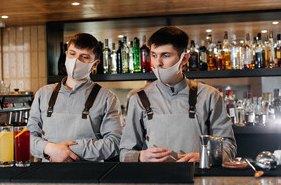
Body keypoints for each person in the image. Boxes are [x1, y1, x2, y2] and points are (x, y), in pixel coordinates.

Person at [120, 26, 237, 162]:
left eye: (166, 55)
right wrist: (140, 156)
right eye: (153, 55)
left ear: (184, 59)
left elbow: (229, 147)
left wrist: (206, 157)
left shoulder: (209, 95)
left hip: (198, 179)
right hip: (154, 180)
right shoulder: (139, 98)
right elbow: (125, 153)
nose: (158, 63)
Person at [28, 33, 122, 162]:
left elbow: (115, 142)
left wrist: (67, 151)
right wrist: (49, 149)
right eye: (72, 54)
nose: (76, 61)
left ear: (95, 64)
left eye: (84, 57)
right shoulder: (43, 94)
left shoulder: (107, 98)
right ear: (66, 54)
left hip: (89, 177)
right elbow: (27, 137)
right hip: (48, 175)